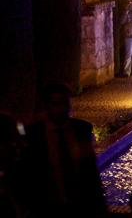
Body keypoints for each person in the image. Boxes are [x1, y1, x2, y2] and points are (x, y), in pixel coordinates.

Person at [23, 83, 106, 217]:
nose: (62, 109)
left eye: (65, 103)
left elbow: (91, 173)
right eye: (56, 104)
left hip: (81, 208)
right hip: (47, 209)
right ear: (46, 106)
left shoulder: (82, 129)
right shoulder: (34, 135)